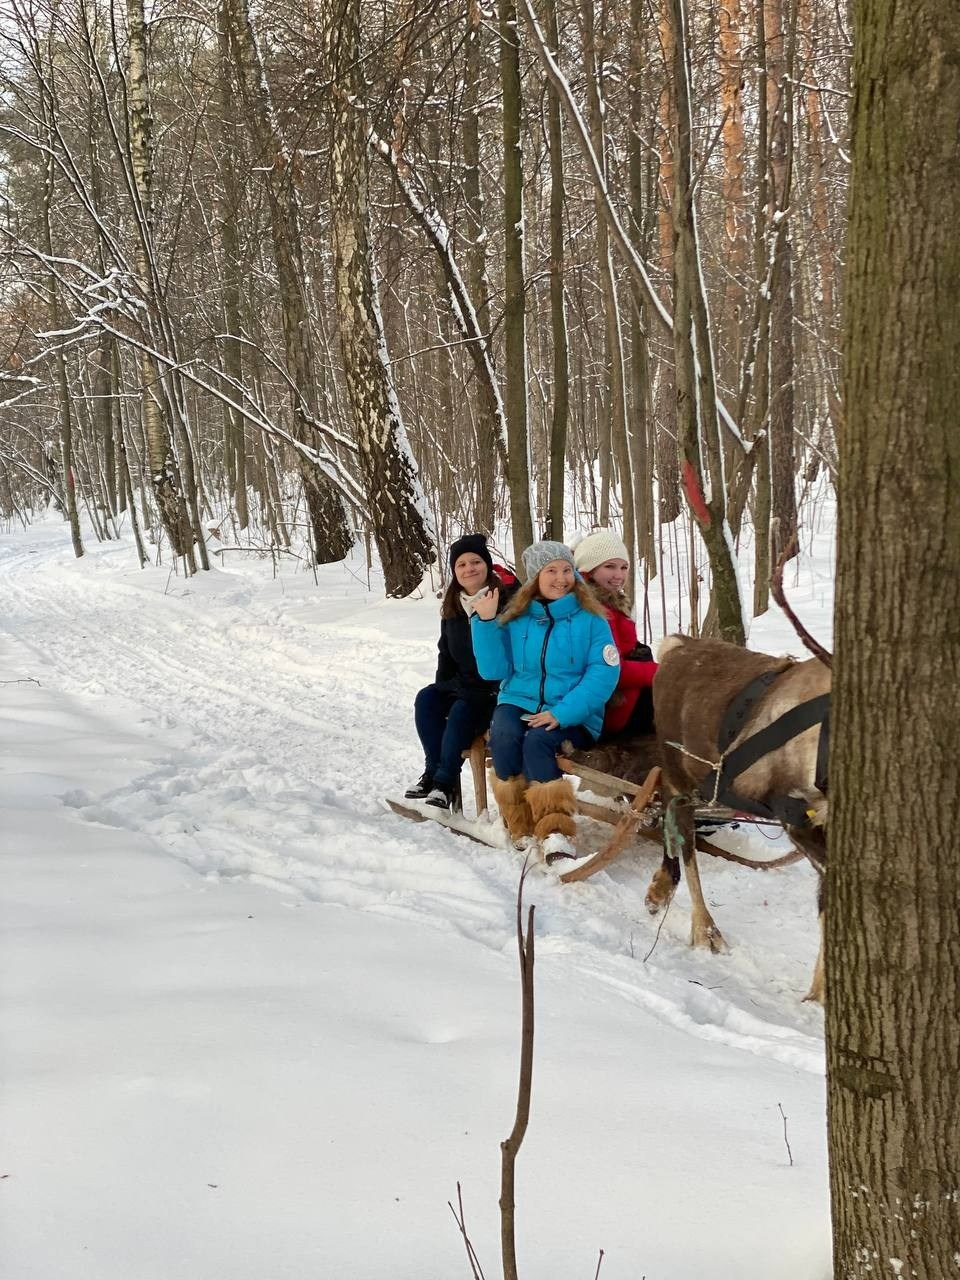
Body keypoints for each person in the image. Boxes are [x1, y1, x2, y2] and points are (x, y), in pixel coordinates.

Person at [471, 540, 619, 861]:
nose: (560, 578)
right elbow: (493, 670)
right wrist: (484, 622)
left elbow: (602, 675)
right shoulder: (518, 618)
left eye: (566, 570)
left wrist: (561, 713)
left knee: (537, 740)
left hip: (575, 713)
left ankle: (555, 833)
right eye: (550, 570)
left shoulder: (591, 619)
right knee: (506, 732)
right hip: (519, 699)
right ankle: (519, 822)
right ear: (535, 578)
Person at [405, 534, 518, 810]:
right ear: (455, 572)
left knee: (461, 710)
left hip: (496, 691)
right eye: (462, 564)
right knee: (427, 699)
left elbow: (512, 657)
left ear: (487, 565)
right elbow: (446, 655)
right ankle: (432, 772)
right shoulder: (454, 605)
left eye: (476, 562)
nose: (469, 569)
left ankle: (445, 783)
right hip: (463, 684)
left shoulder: (508, 602)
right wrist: (443, 689)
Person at [573, 528, 658, 738]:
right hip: (611, 707)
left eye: (624, 567)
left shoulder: (610, 603)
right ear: (589, 570)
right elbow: (611, 670)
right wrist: (659, 672)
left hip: (623, 696)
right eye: (609, 567)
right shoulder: (593, 610)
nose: (619, 575)